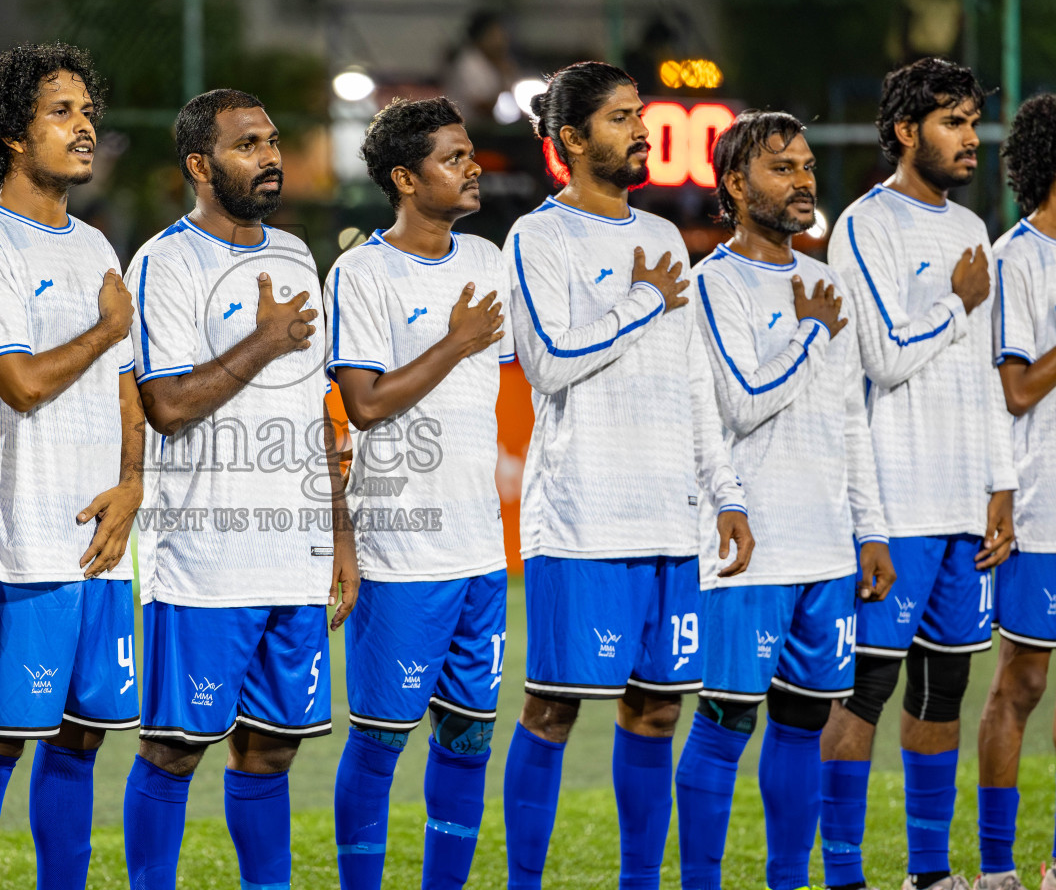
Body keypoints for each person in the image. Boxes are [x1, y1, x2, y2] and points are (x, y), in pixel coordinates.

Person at [500, 60, 753, 890]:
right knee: (553, 707)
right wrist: (642, 300)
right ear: (571, 139)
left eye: (637, 114)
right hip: (582, 518)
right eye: (619, 118)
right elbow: (548, 362)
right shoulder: (538, 237)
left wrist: (725, 493)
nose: (641, 130)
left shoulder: (662, 237)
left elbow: (693, 384)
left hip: (668, 520)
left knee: (659, 709)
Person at [120, 89, 358, 890]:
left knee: (273, 745)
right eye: (247, 144)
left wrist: (342, 540)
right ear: (200, 165)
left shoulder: (296, 256)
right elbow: (168, 404)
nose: (270, 157)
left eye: (273, 141)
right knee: (176, 746)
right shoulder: (163, 261)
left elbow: (314, 409)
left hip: (293, 553)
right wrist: (261, 340)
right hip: (204, 558)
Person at [0, 43, 143, 890]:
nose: (85, 126)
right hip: (22, 539)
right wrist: (102, 329)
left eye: (88, 111)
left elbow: (127, 392)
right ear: (13, 136)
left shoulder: (95, 241)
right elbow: (17, 385)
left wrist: (134, 486)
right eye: (63, 112)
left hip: (102, 538)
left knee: (83, 736)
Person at [674, 110, 895, 890]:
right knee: (729, 720)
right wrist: (806, 333)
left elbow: (850, 419)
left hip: (827, 547)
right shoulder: (712, 284)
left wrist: (870, 529)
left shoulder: (828, 283)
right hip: (752, 543)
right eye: (782, 168)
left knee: (804, 723)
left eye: (806, 166)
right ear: (735, 185)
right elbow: (736, 402)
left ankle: (787, 882)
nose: (803, 181)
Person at [820, 57, 1017, 890]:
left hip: (964, 503)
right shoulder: (866, 226)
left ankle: (930, 875)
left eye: (973, 122)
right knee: (863, 693)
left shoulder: (971, 231)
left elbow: (980, 375)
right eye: (953, 122)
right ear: (907, 132)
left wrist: (1001, 484)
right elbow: (883, 357)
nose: (971, 138)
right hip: (893, 502)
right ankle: (841, 875)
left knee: (943, 692)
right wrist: (957, 303)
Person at [326, 96, 512, 889]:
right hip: (402, 547)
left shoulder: (488, 261)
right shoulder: (362, 272)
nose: (473, 168)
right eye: (453, 158)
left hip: (480, 548)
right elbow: (363, 403)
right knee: (380, 738)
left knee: (469, 738)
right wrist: (458, 340)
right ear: (405, 178)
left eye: (471, 154)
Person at [972, 93, 1056, 890]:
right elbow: (1019, 390)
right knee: (1021, 683)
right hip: (1042, 507)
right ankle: (998, 869)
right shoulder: (1017, 257)